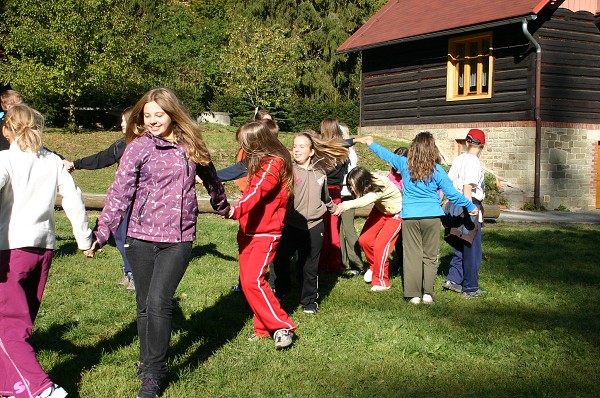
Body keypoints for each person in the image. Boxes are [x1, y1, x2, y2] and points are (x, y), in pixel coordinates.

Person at [83, 87, 230, 398]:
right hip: (140, 238)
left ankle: (154, 373)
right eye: (146, 115)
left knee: (159, 302)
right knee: (144, 306)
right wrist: (102, 232)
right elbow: (119, 192)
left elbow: (212, 177)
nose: (151, 120)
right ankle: (147, 360)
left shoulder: (190, 146)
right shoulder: (137, 149)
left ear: (172, 114)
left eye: (157, 115)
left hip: (178, 238)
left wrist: (222, 205)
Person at [0, 104, 92, 398]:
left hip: (9, 252)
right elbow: (73, 198)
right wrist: (83, 238)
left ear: (6, 131)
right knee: (21, 324)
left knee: (7, 327)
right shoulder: (52, 161)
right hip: (43, 251)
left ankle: (42, 389)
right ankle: (10, 385)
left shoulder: (4, 160)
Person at [355, 132, 478, 304]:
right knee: (429, 256)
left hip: (410, 217)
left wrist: (371, 144)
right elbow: (452, 194)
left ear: (414, 148)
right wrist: (471, 206)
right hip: (432, 217)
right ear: (432, 149)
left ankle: (413, 295)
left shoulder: (405, 164)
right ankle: (427, 293)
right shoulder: (437, 170)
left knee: (412, 256)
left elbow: (386, 155)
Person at [227, 120, 296, 349]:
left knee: (252, 280)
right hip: (248, 230)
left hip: (265, 232)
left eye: (245, 144)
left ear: (258, 141)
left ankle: (282, 326)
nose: (243, 149)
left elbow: (257, 191)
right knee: (250, 284)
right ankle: (263, 328)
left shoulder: (274, 162)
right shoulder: (258, 161)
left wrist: (235, 210)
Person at [272, 131, 347, 314]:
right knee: (280, 260)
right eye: (295, 146)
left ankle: (309, 301)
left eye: (301, 147)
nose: (296, 150)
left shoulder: (320, 172)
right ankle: (281, 290)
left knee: (310, 266)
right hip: (291, 224)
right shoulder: (287, 169)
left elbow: (325, 196)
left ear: (311, 151)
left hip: (314, 226)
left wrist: (333, 208)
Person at [63, 107, 136, 292]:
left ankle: (137, 275)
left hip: (140, 203)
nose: (121, 124)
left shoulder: (144, 146)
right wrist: (76, 164)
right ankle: (128, 271)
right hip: (123, 202)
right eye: (121, 121)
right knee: (120, 237)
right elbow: (101, 158)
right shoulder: (122, 145)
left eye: (124, 121)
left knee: (131, 239)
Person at [217, 109, 279, 293]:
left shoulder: (274, 161)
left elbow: (261, 189)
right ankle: (245, 284)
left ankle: (274, 287)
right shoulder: (254, 158)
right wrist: (209, 176)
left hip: (269, 218)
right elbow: (238, 169)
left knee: (272, 254)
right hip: (251, 210)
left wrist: (234, 211)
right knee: (246, 249)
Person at [334, 167, 403, 291]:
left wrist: (344, 205)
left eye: (351, 184)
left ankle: (382, 282)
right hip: (381, 209)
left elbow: (365, 200)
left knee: (381, 246)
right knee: (365, 240)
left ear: (361, 181)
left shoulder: (380, 186)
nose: (350, 187)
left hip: (396, 213)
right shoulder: (368, 179)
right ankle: (374, 267)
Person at [442, 129, 487, 299]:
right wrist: (470, 209)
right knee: (472, 249)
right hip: (469, 207)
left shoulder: (458, 159)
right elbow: (468, 187)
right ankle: (470, 287)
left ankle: (453, 279)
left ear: (467, 142)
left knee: (459, 244)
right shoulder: (473, 162)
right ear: (482, 145)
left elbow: (447, 183)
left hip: (454, 205)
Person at [317, 117, 348, 274]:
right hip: (337, 191)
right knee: (333, 228)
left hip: (324, 190)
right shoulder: (343, 149)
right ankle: (334, 264)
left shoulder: (323, 149)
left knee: (323, 229)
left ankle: (323, 264)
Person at [339, 123, 363, 276]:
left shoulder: (349, 152)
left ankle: (357, 264)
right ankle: (341, 262)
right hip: (338, 193)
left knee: (348, 229)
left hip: (347, 193)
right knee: (339, 230)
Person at [387, 146, 408, 275]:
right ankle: (400, 260)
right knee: (398, 240)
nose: (396, 169)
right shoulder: (392, 174)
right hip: (397, 210)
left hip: (410, 210)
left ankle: (409, 263)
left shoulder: (413, 172)